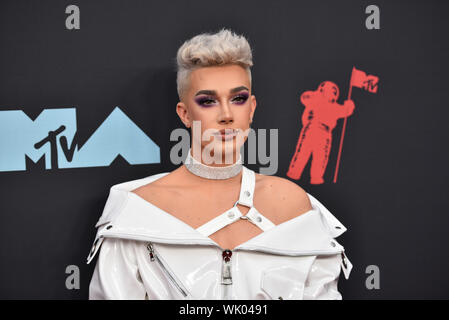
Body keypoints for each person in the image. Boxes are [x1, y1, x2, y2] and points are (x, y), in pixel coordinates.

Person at [86, 28, 352, 300]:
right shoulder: (137, 212)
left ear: (252, 109)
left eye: (238, 99)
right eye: (208, 101)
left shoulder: (293, 204)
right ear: (185, 114)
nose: (226, 115)